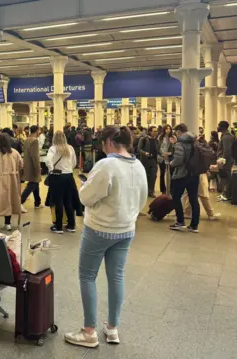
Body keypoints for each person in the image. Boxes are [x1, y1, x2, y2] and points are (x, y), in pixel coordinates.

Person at [65, 126, 147, 348]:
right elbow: (142, 199)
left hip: (100, 229)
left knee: (87, 276)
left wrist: (84, 186)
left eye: (102, 143)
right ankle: (112, 328)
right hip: (126, 229)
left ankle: (89, 331)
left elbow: (86, 197)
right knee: (117, 276)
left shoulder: (106, 165)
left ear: (109, 142)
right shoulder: (138, 165)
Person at [169, 123, 200, 233]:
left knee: (176, 197)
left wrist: (171, 163)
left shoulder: (180, 143)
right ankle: (194, 225)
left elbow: (178, 159)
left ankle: (180, 222)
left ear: (179, 131)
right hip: (194, 174)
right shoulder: (195, 141)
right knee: (193, 199)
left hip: (182, 174)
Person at [46, 131, 78, 234]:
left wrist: (51, 170)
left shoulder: (53, 148)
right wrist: (68, 169)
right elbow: (74, 162)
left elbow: (48, 160)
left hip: (57, 176)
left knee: (58, 201)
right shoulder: (70, 148)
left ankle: (58, 226)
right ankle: (71, 225)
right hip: (69, 176)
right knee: (68, 200)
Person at [21, 125, 42, 212]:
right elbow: (35, 156)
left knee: (35, 183)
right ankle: (20, 201)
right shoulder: (35, 141)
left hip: (27, 164)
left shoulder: (26, 139)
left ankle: (37, 202)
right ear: (37, 131)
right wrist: (38, 167)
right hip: (33, 166)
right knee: (32, 184)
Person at [138, 126, 160, 198]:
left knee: (153, 176)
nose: (155, 132)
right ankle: (145, 191)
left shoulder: (156, 140)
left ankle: (151, 191)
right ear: (150, 131)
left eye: (156, 131)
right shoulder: (143, 139)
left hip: (154, 160)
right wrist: (145, 153)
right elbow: (139, 149)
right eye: (154, 131)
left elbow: (158, 150)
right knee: (146, 176)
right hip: (145, 160)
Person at [217, 121, 235, 201]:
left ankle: (227, 194)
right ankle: (225, 193)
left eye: (219, 126)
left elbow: (227, 151)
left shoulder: (226, 137)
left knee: (227, 178)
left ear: (222, 127)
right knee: (225, 177)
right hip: (227, 160)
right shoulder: (225, 136)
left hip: (226, 161)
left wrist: (222, 161)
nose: (217, 127)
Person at [158, 125, 176, 195]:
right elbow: (158, 147)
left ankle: (171, 189)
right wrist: (161, 154)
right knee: (162, 174)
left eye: (169, 129)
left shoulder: (173, 137)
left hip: (170, 157)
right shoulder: (160, 137)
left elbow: (175, 147)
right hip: (162, 157)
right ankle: (163, 189)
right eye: (166, 129)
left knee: (172, 173)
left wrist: (173, 143)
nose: (168, 130)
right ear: (164, 130)